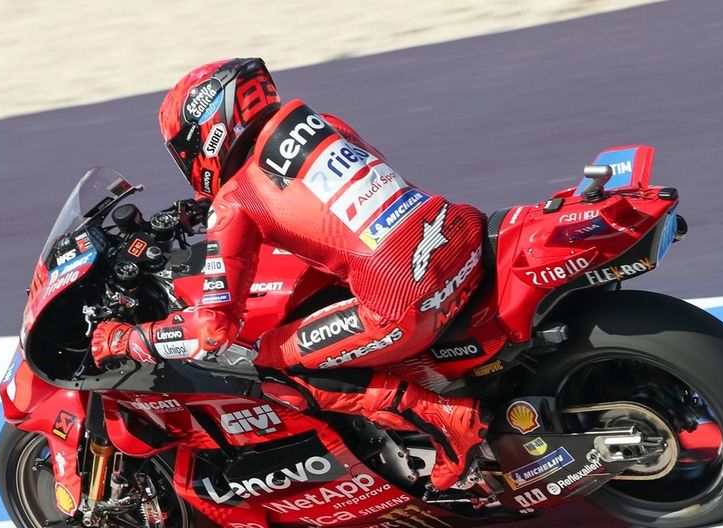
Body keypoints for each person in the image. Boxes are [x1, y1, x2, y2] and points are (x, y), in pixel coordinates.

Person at [90, 58, 489, 491]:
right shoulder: (325, 124)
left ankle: (442, 418)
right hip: (460, 233)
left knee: (268, 361)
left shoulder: (236, 200)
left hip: (403, 298)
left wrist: (129, 339)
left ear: (208, 132)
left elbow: (213, 331)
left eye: (185, 151)